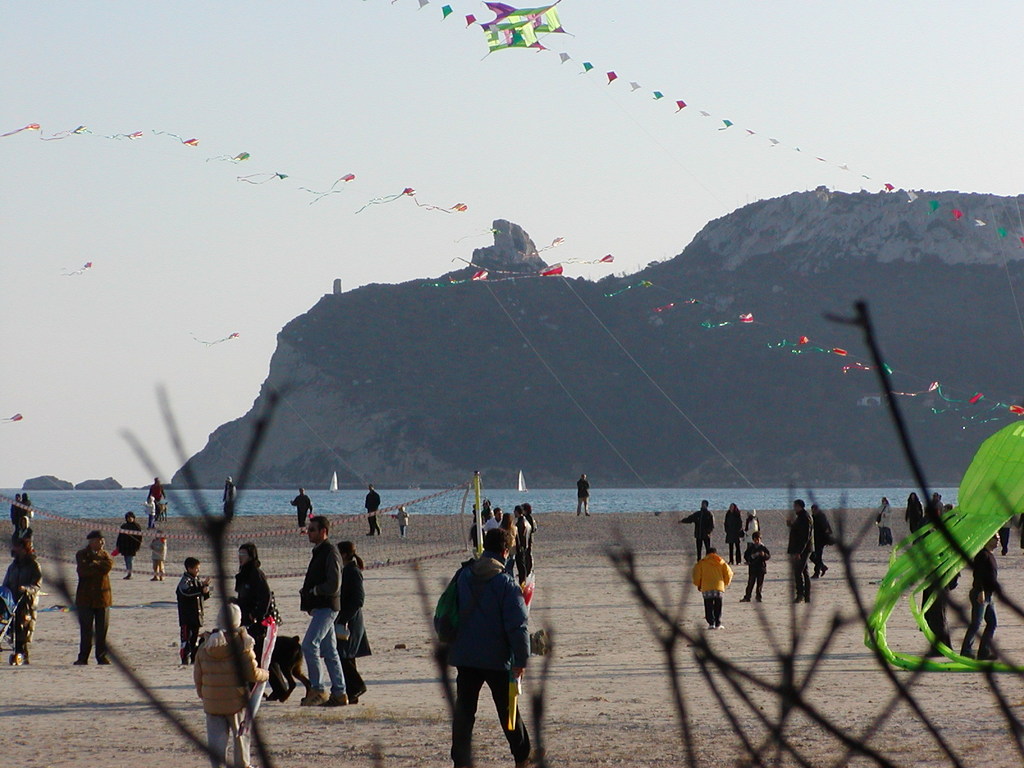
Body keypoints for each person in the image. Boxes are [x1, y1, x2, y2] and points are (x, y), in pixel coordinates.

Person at [449, 527, 531, 768]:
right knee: (508, 711)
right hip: (497, 658)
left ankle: (461, 760)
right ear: (505, 551)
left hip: (465, 655)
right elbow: (518, 625)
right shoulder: (505, 582)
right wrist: (521, 660)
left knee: (464, 713)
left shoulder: (463, 574)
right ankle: (522, 756)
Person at [193, 603, 269, 768]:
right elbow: (252, 674)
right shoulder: (243, 645)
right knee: (241, 737)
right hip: (236, 702)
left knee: (216, 743)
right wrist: (266, 674)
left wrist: (202, 693)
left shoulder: (206, 645)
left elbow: (198, 675)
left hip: (212, 702)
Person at [299, 515, 347, 707]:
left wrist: (316, 590)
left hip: (327, 606)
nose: (308, 533)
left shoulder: (330, 552)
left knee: (310, 645)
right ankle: (340, 692)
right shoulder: (319, 551)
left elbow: (334, 584)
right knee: (329, 650)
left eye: (312, 529)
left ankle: (318, 689)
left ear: (323, 531)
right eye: (308, 529)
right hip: (320, 606)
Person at [335, 541, 370, 704]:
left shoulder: (352, 572)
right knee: (347, 655)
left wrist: (344, 618)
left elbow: (358, 600)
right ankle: (351, 692)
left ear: (344, 554)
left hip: (351, 620)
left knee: (343, 655)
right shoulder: (346, 571)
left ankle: (357, 686)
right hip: (347, 618)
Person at [74, 530, 113, 665]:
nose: (102, 543)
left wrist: (95, 563)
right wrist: (96, 565)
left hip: (103, 598)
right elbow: (83, 571)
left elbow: (107, 567)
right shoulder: (82, 554)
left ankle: (101, 656)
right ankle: (83, 657)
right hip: (85, 598)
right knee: (86, 630)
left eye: (103, 540)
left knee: (102, 630)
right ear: (91, 542)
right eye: (99, 540)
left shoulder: (105, 555)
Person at [960, 535, 1000, 660]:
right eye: (995, 538)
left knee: (992, 622)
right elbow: (978, 575)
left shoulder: (990, 554)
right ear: (988, 539)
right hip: (980, 593)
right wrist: (981, 591)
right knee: (976, 623)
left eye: (998, 538)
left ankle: (984, 652)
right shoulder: (982, 555)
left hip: (989, 595)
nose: (998, 540)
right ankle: (966, 650)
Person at [3, 537, 42, 664]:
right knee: (11, 628)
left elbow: (37, 586)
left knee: (24, 631)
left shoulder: (34, 566)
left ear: (24, 549)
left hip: (27, 603)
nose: (14, 549)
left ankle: (23, 654)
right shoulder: (12, 567)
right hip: (12, 602)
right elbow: (6, 584)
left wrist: (26, 589)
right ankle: (18, 652)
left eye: (17, 547)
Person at [235, 542, 272, 660]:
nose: (240, 557)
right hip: (245, 620)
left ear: (251, 556)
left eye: (243, 554)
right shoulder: (243, 573)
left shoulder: (255, 573)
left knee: (258, 657)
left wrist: (255, 614)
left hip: (258, 623)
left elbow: (266, 596)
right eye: (239, 553)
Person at [176, 557, 211, 665]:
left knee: (194, 639)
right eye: (196, 569)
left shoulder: (196, 580)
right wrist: (201, 590)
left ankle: (194, 658)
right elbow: (186, 592)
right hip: (187, 617)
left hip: (197, 616)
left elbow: (202, 596)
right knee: (186, 639)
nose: (198, 571)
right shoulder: (185, 581)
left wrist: (205, 588)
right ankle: (184, 657)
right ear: (189, 568)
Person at [692, 546, 733, 629]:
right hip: (719, 586)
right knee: (718, 605)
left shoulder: (702, 562)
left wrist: (698, 584)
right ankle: (718, 623)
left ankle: (711, 623)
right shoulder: (721, 562)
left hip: (706, 587)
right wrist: (725, 583)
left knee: (708, 605)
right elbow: (729, 573)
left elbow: (696, 575)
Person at [787, 500, 814, 603]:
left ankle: (800, 595)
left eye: (795, 506)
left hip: (803, 550)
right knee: (804, 571)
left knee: (798, 572)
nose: (794, 508)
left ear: (800, 507)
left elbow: (805, 537)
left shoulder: (805, 517)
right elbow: (797, 531)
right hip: (800, 549)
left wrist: (799, 552)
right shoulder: (800, 517)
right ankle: (806, 597)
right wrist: (791, 525)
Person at [739, 530, 771, 603]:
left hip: (761, 568)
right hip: (753, 568)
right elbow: (746, 556)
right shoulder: (751, 547)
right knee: (750, 583)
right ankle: (747, 597)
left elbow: (768, 556)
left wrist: (764, 555)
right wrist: (751, 557)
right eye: (755, 539)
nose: (757, 541)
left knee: (759, 585)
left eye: (758, 539)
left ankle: (758, 597)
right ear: (753, 540)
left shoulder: (763, 547)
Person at [115, 511, 143, 580]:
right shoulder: (124, 526)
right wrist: (118, 545)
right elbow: (120, 536)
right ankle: (128, 572)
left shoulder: (137, 526)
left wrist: (138, 546)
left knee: (130, 560)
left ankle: (130, 573)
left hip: (132, 546)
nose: (129, 519)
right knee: (126, 560)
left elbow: (139, 537)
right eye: (128, 518)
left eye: (131, 517)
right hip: (124, 546)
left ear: (133, 518)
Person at [810, 504, 833, 578]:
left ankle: (816, 573)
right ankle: (823, 567)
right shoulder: (812, 517)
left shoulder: (821, 517)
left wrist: (827, 538)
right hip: (814, 539)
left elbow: (827, 529)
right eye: (812, 510)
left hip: (821, 540)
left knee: (817, 556)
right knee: (812, 556)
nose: (813, 511)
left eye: (814, 510)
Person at [514, 506, 533, 583]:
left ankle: (523, 582)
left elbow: (520, 536)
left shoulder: (521, 523)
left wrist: (519, 546)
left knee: (521, 567)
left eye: (514, 511)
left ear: (517, 512)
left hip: (521, 547)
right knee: (523, 566)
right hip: (525, 546)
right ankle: (524, 580)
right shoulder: (526, 522)